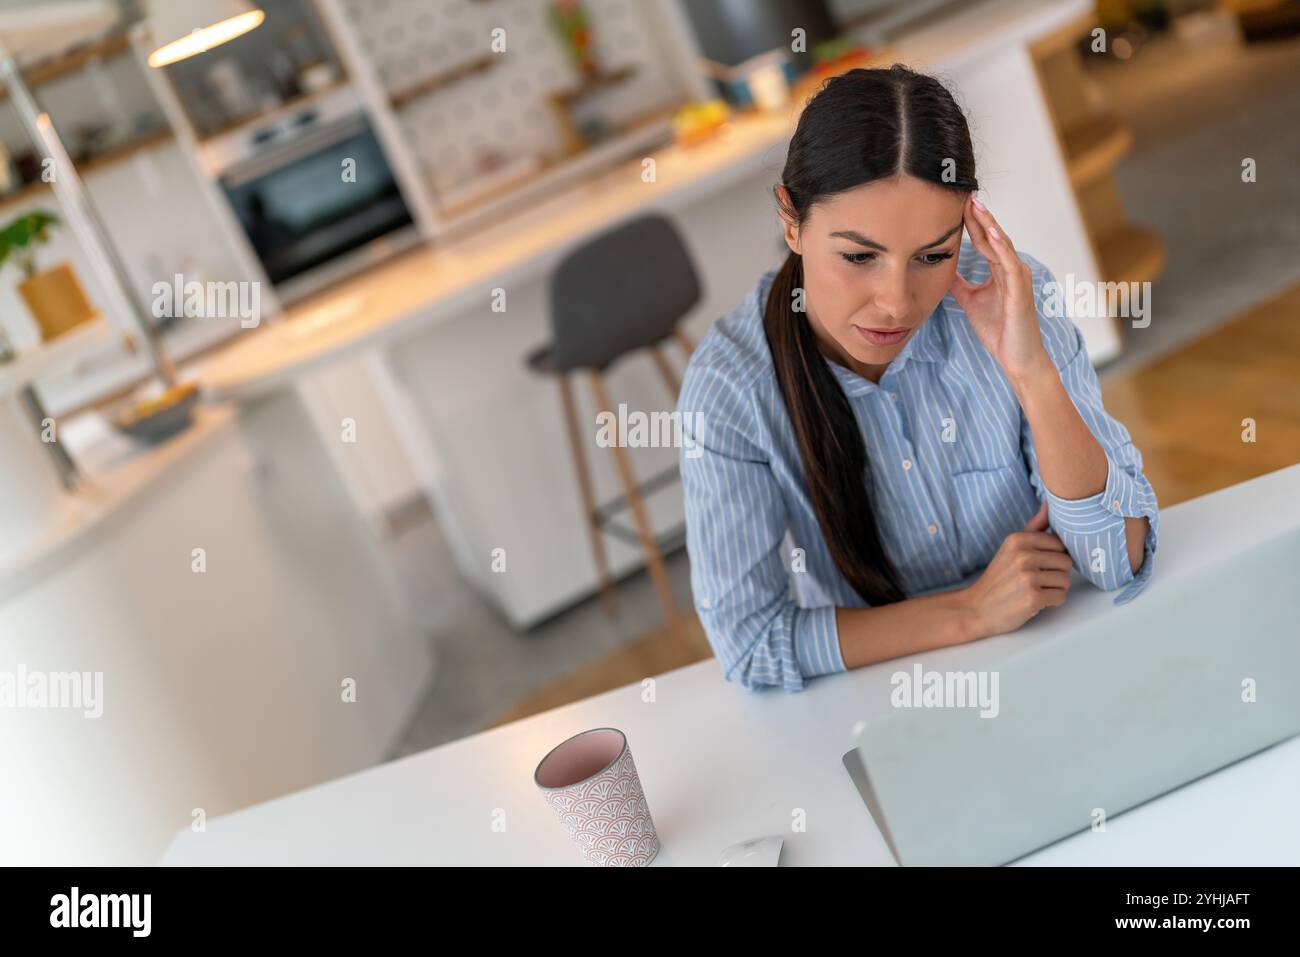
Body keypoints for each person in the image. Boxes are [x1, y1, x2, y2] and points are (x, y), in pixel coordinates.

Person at [677, 64, 1159, 692]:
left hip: (1071, 661)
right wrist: (967, 614)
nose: (898, 303)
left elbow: (1116, 559)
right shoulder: (729, 391)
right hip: (894, 699)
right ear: (791, 221)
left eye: (934, 256)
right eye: (859, 256)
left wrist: (1031, 371)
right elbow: (749, 646)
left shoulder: (1015, 298)